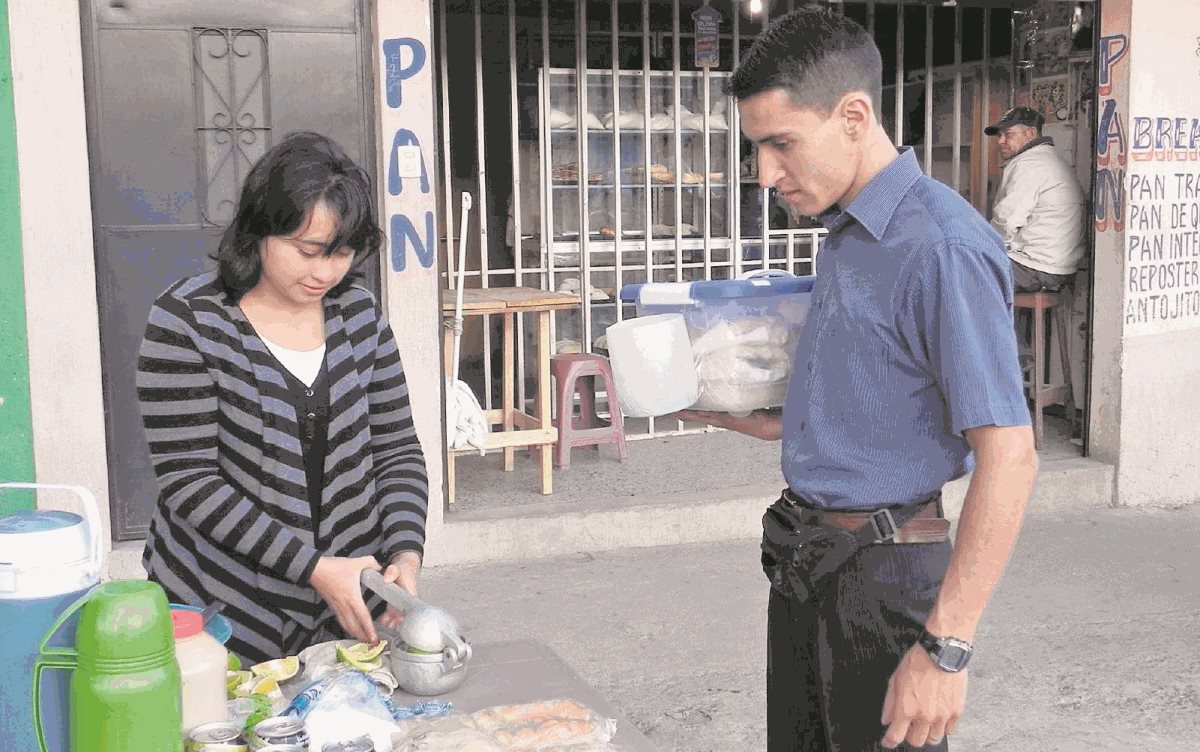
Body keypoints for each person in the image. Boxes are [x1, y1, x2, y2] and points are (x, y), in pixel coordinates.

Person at [678, 9, 1038, 751]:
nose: (765, 174)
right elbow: (883, 389)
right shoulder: (849, 232)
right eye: (755, 147)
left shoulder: (939, 246)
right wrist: (765, 415)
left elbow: (1010, 455)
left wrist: (946, 646)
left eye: (781, 144)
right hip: (809, 564)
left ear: (854, 116)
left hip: (887, 581)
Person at [136, 131, 429, 664]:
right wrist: (313, 568)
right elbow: (190, 481)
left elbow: (396, 450)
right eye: (307, 251)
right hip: (221, 605)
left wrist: (406, 553)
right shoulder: (188, 320)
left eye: (342, 254)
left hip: (349, 603)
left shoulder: (359, 316)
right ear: (259, 229)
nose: (324, 272)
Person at [985, 106, 1087, 367]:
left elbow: (1006, 220)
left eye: (1009, 134)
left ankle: (1009, 355)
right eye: (999, 135)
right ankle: (1016, 351)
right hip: (1059, 268)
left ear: (1030, 133)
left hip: (1038, 267)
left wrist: (977, 246)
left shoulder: (1028, 164)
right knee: (992, 267)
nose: (1001, 141)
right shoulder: (1050, 159)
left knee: (967, 271)